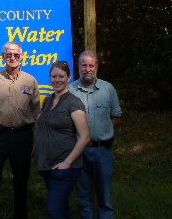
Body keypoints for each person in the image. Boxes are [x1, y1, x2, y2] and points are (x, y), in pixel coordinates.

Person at [0, 42, 41, 219]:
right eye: (9, 54)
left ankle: (20, 215)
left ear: (21, 56)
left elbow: (36, 113)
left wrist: (35, 140)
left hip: (22, 137)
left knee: (21, 181)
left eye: (16, 54)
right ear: (3, 56)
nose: (12, 57)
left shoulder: (30, 81)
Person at [68, 50, 122, 219]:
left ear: (97, 67)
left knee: (104, 198)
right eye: (84, 65)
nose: (88, 69)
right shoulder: (69, 91)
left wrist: (104, 132)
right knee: (83, 198)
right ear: (78, 67)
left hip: (102, 151)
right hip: (78, 152)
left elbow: (116, 115)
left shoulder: (108, 89)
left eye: (91, 65)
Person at [34, 61, 90, 219]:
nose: (57, 80)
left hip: (64, 166)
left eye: (61, 76)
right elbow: (43, 127)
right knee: (61, 208)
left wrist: (67, 162)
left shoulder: (73, 102)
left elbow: (85, 136)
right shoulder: (48, 100)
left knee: (54, 210)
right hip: (47, 165)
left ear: (69, 78)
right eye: (54, 76)